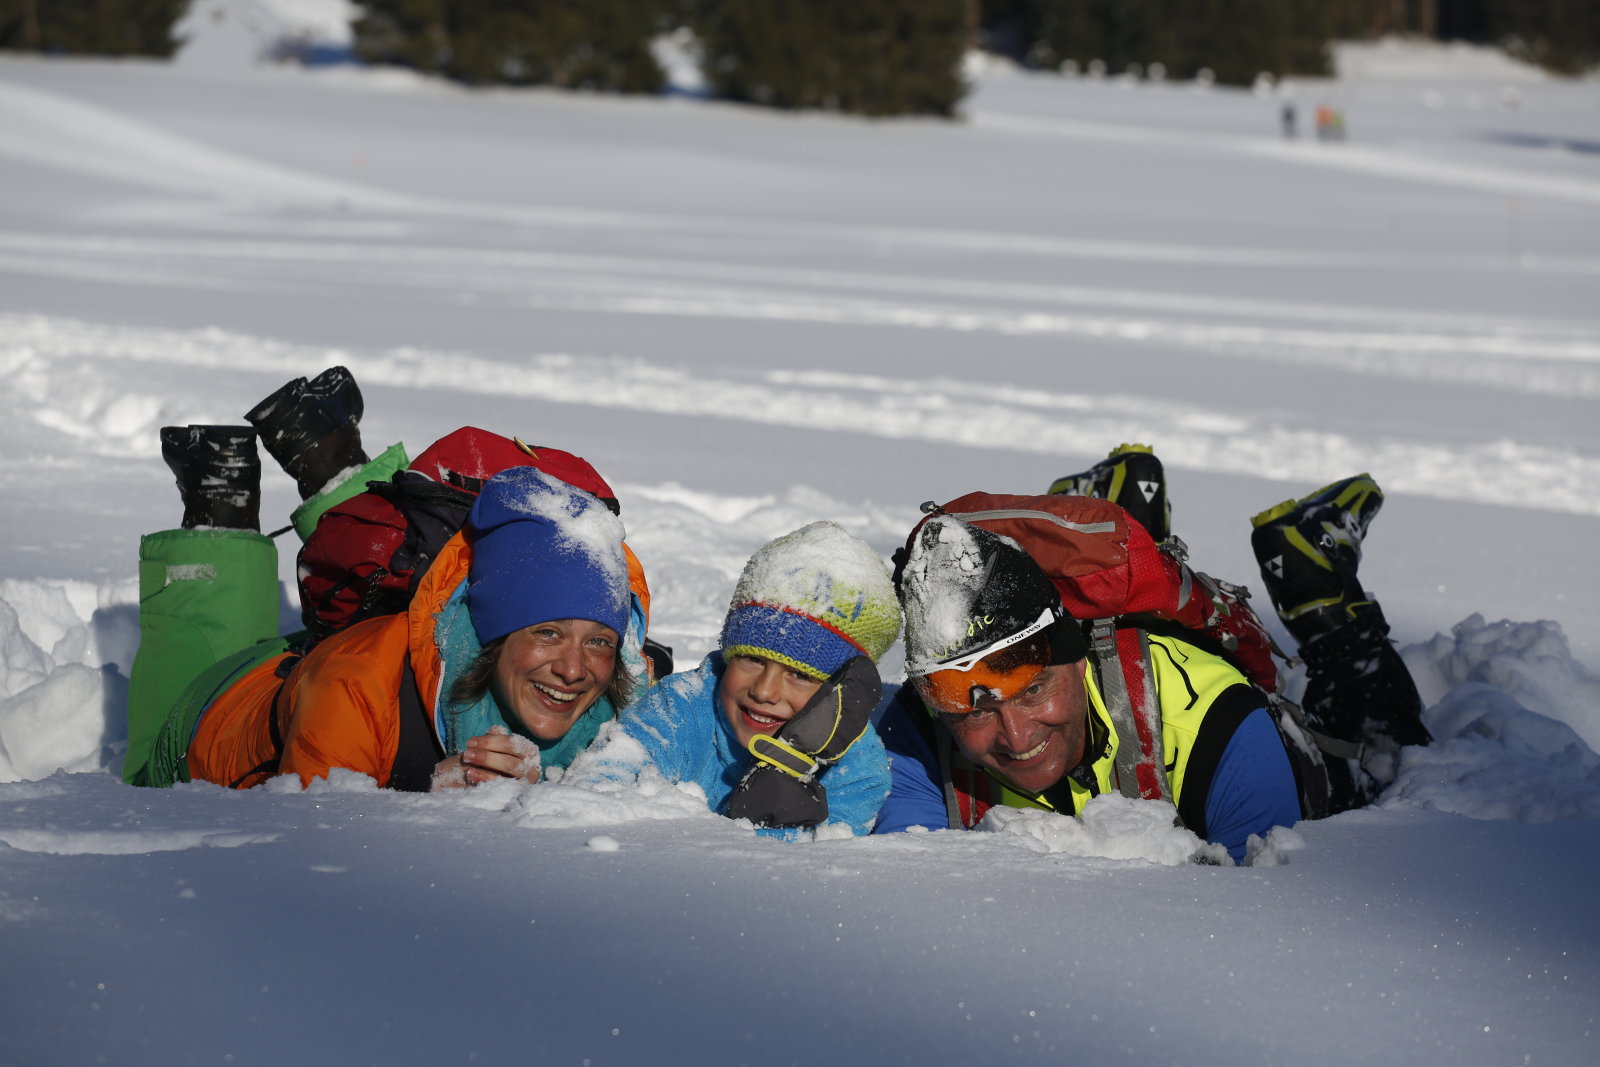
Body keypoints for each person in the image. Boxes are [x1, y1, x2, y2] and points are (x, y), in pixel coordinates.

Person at [874, 444, 1430, 862]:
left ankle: (1316, 583)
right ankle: (1123, 513)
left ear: (1077, 655)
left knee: (1388, 753)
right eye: (972, 710)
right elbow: (926, 894)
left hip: (1294, 757)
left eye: (1035, 689)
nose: (1017, 738)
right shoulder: (919, 734)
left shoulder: (1216, 718)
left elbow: (1266, 921)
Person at [126, 372, 654, 792]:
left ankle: (326, 459)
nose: (572, 668)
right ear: (494, 632)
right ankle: (218, 505)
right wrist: (425, 801)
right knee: (165, 732)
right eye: (546, 632)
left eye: (599, 641)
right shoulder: (355, 685)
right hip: (210, 719)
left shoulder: (627, 685)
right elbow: (306, 859)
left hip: (321, 666)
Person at [572, 522, 901, 837]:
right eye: (753, 660)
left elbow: (825, 863)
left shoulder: (857, 770)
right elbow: (599, 791)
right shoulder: (681, 707)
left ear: (839, 692)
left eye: (800, 675)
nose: (764, 691)